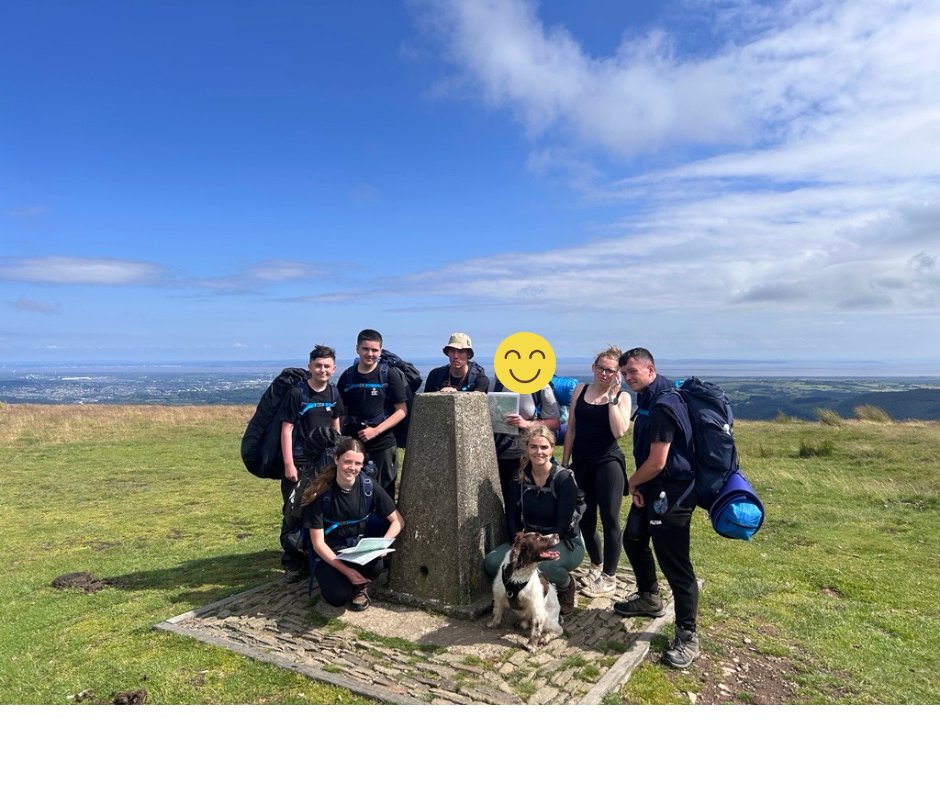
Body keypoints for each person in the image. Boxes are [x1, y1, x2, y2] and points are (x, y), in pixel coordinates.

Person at [615, 347, 700, 669]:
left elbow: (658, 461)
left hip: (673, 494)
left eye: (633, 372)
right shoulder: (650, 398)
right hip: (655, 487)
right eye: (625, 373)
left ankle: (688, 635)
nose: (628, 378)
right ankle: (650, 598)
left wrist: (632, 483)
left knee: (676, 566)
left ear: (651, 369)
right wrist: (644, 486)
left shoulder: (664, 404)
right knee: (634, 538)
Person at [484, 425, 585, 615]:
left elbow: (562, 526)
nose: (539, 452)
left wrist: (535, 554)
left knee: (545, 566)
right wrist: (519, 545)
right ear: (527, 448)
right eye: (534, 447)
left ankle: (566, 586)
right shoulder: (519, 477)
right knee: (492, 562)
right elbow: (511, 516)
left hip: (563, 540)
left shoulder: (564, 479)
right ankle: (516, 593)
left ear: (552, 448)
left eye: (544, 447)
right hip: (529, 540)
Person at [561, 346, 632, 598]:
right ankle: (596, 566)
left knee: (610, 519)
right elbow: (571, 428)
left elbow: (619, 431)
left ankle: (610, 577)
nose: (604, 373)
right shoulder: (580, 390)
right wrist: (566, 461)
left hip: (607, 463)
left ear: (617, 374)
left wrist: (612, 398)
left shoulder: (622, 397)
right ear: (593, 367)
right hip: (581, 463)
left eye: (610, 370)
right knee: (586, 520)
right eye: (600, 368)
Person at [301, 437, 404, 612]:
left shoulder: (368, 486)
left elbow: (398, 521)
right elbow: (318, 543)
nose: (353, 468)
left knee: (377, 566)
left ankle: (359, 587)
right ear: (336, 460)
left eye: (358, 463)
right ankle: (347, 580)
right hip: (330, 553)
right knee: (337, 597)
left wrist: (380, 546)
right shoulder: (320, 494)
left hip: (359, 551)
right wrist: (346, 571)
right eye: (347, 462)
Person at [277, 345, 344, 583]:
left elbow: (336, 429)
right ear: (310, 367)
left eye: (327, 366)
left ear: (333, 369)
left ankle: (312, 557)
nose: (322, 370)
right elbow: (286, 430)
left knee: (318, 510)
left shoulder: (334, 394)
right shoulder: (298, 393)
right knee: (294, 511)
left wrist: (339, 458)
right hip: (299, 461)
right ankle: (292, 563)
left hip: (325, 461)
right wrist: (289, 465)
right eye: (318, 365)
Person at [337, 329, 408, 498]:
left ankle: (385, 525)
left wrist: (375, 431)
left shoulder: (388, 375)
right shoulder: (347, 377)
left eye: (375, 350)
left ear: (380, 351)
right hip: (353, 443)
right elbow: (341, 412)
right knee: (352, 489)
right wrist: (339, 437)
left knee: (384, 492)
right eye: (365, 349)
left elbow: (401, 411)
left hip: (382, 443)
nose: (370, 354)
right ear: (357, 349)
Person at [491, 376, 561, 506]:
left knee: (529, 500)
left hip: (529, 455)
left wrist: (527, 424)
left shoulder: (540, 385)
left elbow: (555, 423)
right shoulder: (496, 383)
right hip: (499, 455)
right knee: (504, 501)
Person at [423, 332, 489, 393]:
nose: (455, 356)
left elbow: (478, 399)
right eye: (452, 351)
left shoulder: (479, 379)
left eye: (460, 351)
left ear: (468, 354)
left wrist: (456, 394)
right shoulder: (435, 375)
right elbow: (424, 403)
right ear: (448, 353)